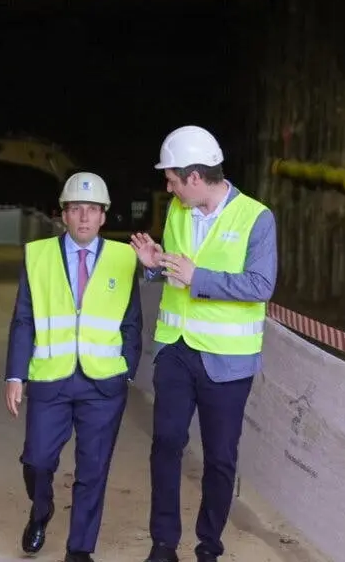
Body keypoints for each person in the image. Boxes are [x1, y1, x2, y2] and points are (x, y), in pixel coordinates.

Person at [129, 126, 278, 562]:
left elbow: (261, 284)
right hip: (175, 351)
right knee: (166, 444)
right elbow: (177, 273)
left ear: (195, 177)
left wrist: (200, 278)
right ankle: (163, 545)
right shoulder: (178, 211)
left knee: (219, 460)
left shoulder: (256, 217)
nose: (168, 186)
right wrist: (155, 266)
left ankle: (208, 546)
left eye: (172, 178)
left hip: (227, 363)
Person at [4, 172, 143, 562]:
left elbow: (132, 321)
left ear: (103, 216)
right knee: (37, 460)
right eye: (76, 209)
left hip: (103, 384)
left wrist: (126, 370)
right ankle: (41, 508)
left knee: (92, 470)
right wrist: (16, 374)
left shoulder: (124, 257)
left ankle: (79, 550)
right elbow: (24, 319)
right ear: (63, 214)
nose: (84, 217)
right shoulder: (38, 255)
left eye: (92, 210)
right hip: (51, 379)